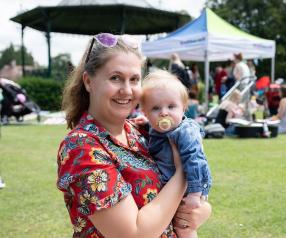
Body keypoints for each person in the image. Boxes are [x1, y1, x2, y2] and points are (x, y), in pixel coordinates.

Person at [57, 33, 211, 238]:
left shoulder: (142, 130)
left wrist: (199, 213)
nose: (127, 90)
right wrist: (183, 172)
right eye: (115, 78)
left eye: (134, 79)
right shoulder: (81, 148)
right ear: (88, 81)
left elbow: (194, 205)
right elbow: (134, 234)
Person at [140, 70, 212, 238]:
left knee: (184, 227)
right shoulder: (153, 128)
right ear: (145, 113)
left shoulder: (184, 132)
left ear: (183, 108)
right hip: (170, 187)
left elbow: (196, 160)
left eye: (171, 106)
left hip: (190, 188)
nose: (164, 112)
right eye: (155, 108)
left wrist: (195, 194)